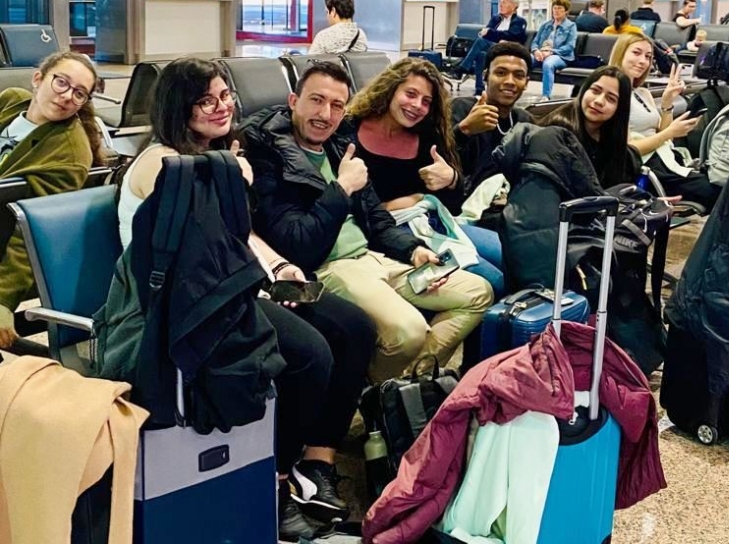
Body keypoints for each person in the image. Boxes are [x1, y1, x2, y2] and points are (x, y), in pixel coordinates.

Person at [116, 57, 376, 541]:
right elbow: (196, 237)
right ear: (178, 106)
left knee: (353, 327)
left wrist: (278, 267)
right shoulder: (160, 161)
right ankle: (275, 482)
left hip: (223, 283)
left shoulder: (213, 154)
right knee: (309, 354)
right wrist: (231, 179)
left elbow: (238, 236)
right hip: (178, 302)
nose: (221, 107)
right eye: (205, 100)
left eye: (224, 96)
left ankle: (316, 460)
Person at [242, 61, 493, 382]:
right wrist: (341, 188)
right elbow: (297, 244)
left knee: (478, 292)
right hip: (332, 266)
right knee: (409, 330)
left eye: (336, 106)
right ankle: (385, 393)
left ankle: (401, 385)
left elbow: (377, 218)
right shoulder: (270, 157)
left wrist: (413, 250)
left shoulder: (340, 148)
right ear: (294, 101)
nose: (325, 114)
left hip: (373, 256)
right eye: (316, 100)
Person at [340, 57, 505, 297]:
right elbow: (353, 203)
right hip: (388, 231)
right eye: (410, 94)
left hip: (432, 219)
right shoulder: (348, 129)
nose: (417, 105)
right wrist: (399, 203)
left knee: (512, 256)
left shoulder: (427, 136)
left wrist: (451, 180)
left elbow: (454, 205)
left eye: (426, 101)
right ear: (390, 89)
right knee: (495, 281)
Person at [0, 51, 104, 351]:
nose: (67, 96)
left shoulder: (68, 153)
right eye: (62, 82)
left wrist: (3, 298)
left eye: (79, 93)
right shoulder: (10, 101)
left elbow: (31, 230)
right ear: (38, 79)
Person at [450, 43, 533, 296]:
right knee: (513, 269)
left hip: (508, 215)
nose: (509, 81)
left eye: (518, 75)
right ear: (486, 75)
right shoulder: (461, 109)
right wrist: (464, 131)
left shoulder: (524, 121)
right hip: (462, 214)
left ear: (527, 83)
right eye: (501, 72)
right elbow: (433, 161)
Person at [610, 32, 721, 209]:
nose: (643, 61)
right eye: (636, 53)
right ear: (620, 53)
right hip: (646, 170)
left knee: (724, 184)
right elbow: (629, 151)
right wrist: (670, 133)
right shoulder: (613, 95)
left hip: (666, 160)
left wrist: (667, 101)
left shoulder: (642, 92)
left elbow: (662, 134)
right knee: (718, 192)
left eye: (648, 56)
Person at [540, 66, 639, 189]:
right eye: (595, 91)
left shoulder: (609, 137)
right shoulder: (560, 130)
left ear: (620, 108)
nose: (599, 101)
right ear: (584, 90)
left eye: (611, 99)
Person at [451, 0, 527, 86]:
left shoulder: (519, 21)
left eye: (504, 2)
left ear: (513, 6)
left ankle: (462, 68)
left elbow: (511, 35)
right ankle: (479, 88)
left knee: (480, 42)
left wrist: (492, 33)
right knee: (481, 54)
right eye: (500, 2)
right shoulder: (496, 18)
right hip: (491, 47)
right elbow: (486, 35)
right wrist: (494, 35)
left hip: (507, 49)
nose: (501, 5)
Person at [530, 0, 578, 101]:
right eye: (555, 8)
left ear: (566, 11)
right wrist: (536, 51)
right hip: (542, 53)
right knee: (525, 59)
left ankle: (545, 96)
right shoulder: (545, 25)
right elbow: (535, 42)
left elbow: (570, 46)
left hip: (561, 55)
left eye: (560, 8)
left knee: (548, 64)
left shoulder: (571, 26)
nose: (556, 11)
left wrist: (551, 52)